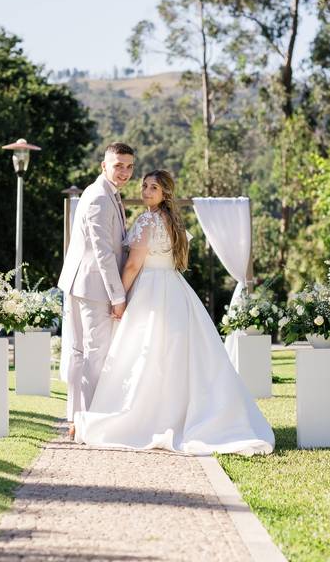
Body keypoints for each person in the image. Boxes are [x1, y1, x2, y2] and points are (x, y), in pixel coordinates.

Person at [74, 170, 274, 456]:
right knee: (174, 356)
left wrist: (117, 297)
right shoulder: (173, 221)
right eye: (144, 185)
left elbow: (132, 265)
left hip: (150, 290)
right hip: (175, 288)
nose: (145, 191)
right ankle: (174, 414)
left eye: (152, 187)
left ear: (165, 193)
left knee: (147, 353)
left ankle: (151, 417)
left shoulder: (147, 220)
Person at [57, 142, 135, 438]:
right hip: (93, 287)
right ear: (104, 165)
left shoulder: (105, 193)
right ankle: (88, 423)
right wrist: (118, 296)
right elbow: (103, 252)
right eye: (119, 166)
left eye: (129, 166)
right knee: (94, 355)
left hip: (83, 283)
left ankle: (77, 421)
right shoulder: (99, 198)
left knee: (81, 354)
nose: (125, 172)